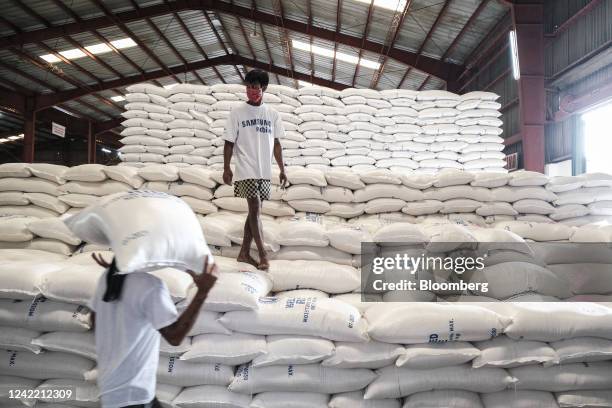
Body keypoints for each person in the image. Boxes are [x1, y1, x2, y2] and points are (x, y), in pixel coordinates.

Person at [88, 253, 218, 408]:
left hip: (111, 390)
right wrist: (202, 292)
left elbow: (94, 321)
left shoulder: (106, 278)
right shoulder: (150, 286)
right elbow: (175, 336)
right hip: (135, 396)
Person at [223, 69, 287, 270]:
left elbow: (276, 144)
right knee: (255, 208)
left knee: (254, 212)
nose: (251, 91)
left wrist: (282, 169)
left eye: (255, 87)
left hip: (264, 171)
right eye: (248, 87)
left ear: (264, 88)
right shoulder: (237, 113)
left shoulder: (272, 114)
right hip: (245, 168)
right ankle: (263, 255)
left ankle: (243, 253)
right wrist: (226, 168)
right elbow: (228, 143)